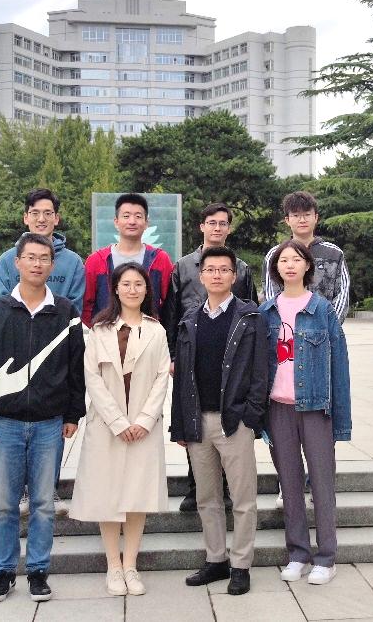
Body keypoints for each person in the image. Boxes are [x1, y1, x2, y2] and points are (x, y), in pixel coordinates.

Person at [0, 233, 86, 604]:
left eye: (44, 258)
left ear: (52, 265)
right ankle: (4, 572)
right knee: (5, 504)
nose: (37, 264)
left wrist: (73, 412)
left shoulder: (65, 312)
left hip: (50, 423)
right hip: (4, 423)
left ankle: (37, 571)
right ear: (17, 262)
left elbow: (76, 367)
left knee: (43, 504)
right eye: (30, 257)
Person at [171, 245, 271, 596]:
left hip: (234, 421)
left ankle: (241, 565)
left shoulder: (250, 317)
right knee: (207, 498)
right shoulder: (189, 319)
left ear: (234, 275)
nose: (217, 275)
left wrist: (251, 416)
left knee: (243, 499)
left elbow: (261, 371)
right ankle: (216, 560)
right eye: (210, 270)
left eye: (223, 269)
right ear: (201, 276)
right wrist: (180, 423)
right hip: (198, 422)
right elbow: (182, 376)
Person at [70, 263, 170, 597]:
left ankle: (131, 565)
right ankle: (113, 565)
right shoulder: (99, 330)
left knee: (137, 496)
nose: (132, 289)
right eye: (126, 284)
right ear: (115, 288)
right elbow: (92, 378)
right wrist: (117, 421)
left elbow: (161, 378)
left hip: (143, 427)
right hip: (107, 427)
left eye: (138, 284)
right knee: (108, 495)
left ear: (147, 289)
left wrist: (144, 420)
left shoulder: (156, 330)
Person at [260, 239, 351, 586]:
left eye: (296, 259)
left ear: (307, 266)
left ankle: (326, 557)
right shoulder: (266, 311)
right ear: (276, 269)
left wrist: (340, 420)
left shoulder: (323, 310)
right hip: (278, 408)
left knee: (322, 482)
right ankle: (298, 553)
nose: (290, 265)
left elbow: (339, 367)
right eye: (283, 260)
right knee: (290, 482)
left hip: (315, 407)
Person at [0, 187, 85, 518]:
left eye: (48, 213)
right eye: (35, 213)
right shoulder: (6, 260)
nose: (41, 218)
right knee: (15, 421)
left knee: (52, 420)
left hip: (57, 352)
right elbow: (4, 307)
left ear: (57, 218)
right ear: (25, 217)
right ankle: (17, 491)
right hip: (16, 353)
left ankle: (48, 488)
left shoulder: (73, 262)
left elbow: (74, 306)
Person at [162, 203, 257, 512]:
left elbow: (252, 313)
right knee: (194, 419)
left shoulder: (240, 268)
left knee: (226, 421)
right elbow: (171, 314)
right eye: (212, 223)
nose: (217, 228)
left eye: (223, 223)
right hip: (192, 355)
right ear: (201, 226)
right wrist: (173, 355)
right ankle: (196, 487)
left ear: (229, 228)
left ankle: (226, 487)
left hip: (231, 357)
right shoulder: (182, 267)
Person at [82, 193, 174, 326]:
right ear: (116, 222)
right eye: (126, 216)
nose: (132, 221)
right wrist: (96, 332)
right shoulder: (96, 260)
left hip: (148, 334)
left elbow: (169, 304)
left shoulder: (160, 259)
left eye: (138, 216)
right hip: (105, 333)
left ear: (146, 223)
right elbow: (86, 305)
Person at [262, 191, 350, 323]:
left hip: (325, 329)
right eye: (296, 215)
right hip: (285, 330)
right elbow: (270, 295)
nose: (302, 220)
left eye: (307, 215)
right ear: (287, 220)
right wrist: (285, 326)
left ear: (316, 217)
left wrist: (329, 326)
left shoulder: (334, 253)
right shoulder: (275, 254)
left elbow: (342, 294)